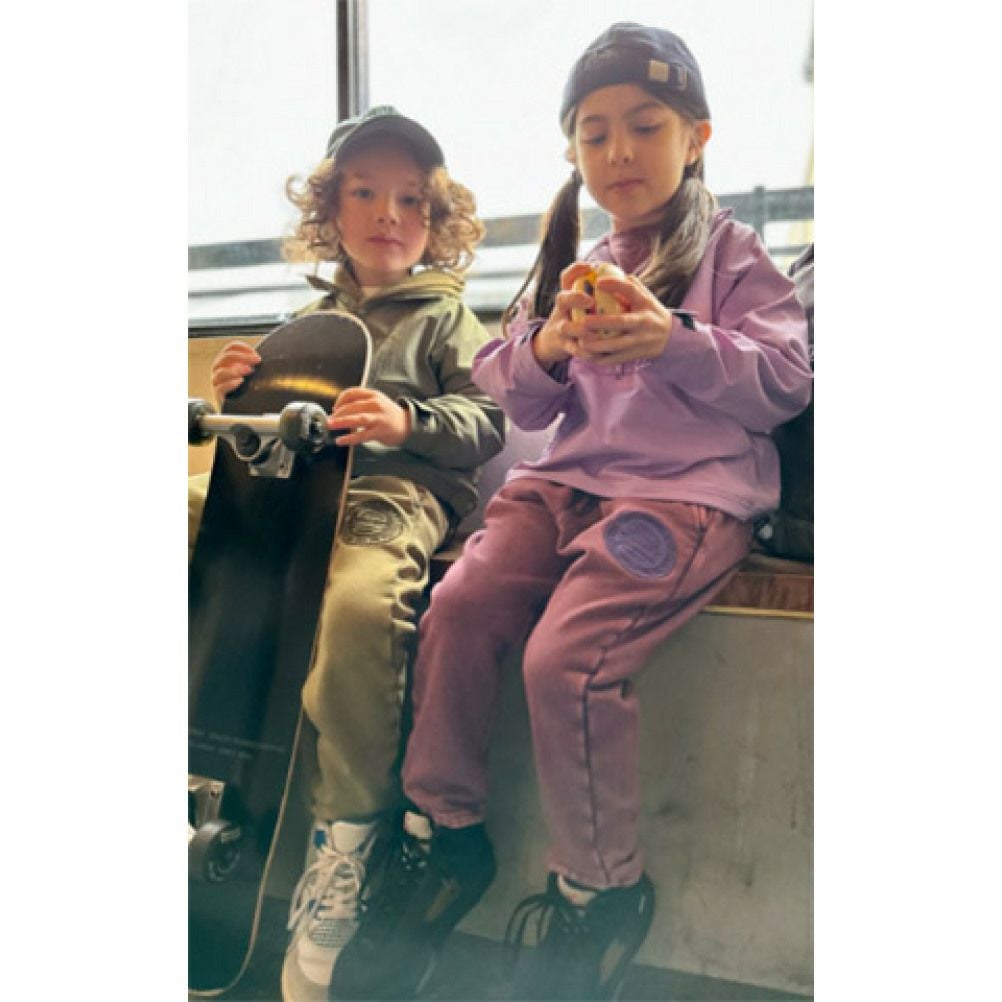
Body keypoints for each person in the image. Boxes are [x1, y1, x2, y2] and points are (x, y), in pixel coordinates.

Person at [328, 23, 814, 1002]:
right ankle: (440, 833)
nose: (619, 151)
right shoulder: (576, 263)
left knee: (567, 661)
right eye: (594, 134)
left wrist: (672, 339)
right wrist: (549, 345)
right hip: (562, 488)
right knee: (456, 607)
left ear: (698, 137)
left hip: (681, 499)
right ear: (573, 152)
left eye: (646, 125)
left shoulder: (734, 255)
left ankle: (599, 894)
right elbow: (514, 393)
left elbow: (786, 382)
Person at [187, 106, 505, 1002]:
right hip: (290, 496)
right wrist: (242, 399)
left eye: (411, 200)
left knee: (359, 616)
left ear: (436, 221)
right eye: (364, 193)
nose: (388, 214)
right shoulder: (306, 323)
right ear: (330, 210)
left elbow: (488, 421)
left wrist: (408, 419)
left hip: (388, 497)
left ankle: (346, 847)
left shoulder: (448, 320)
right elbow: (265, 437)